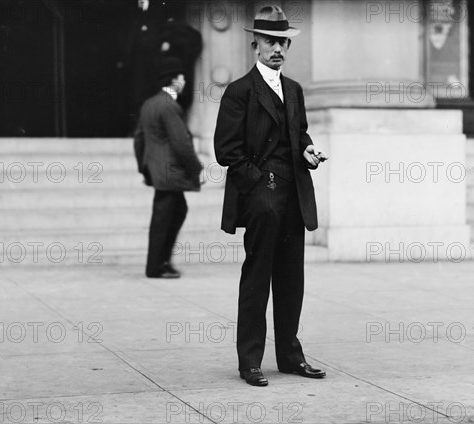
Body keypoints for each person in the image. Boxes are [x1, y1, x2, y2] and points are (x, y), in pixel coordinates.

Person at [214, 5, 329, 386]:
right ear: (255, 45)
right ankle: (250, 361)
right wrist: (258, 186)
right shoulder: (240, 92)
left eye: (282, 42)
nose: (277, 48)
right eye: (270, 42)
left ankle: (290, 357)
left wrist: (308, 151)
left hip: (294, 195)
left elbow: (299, 134)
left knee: (291, 280)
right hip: (263, 199)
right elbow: (226, 150)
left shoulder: (294, 90)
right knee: (257, 278)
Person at [134, 57, 203, 279]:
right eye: (182, 77)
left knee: (175, 212)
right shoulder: (170, 106)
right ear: (174, 80)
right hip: (170, 172)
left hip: (159, 171)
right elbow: (181, 142)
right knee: (165, 218)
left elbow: (139, 139)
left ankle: (162, 262)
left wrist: (144, 168)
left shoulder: (149, 104)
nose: (184, 81)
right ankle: (156, 266)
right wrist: (196, 168)